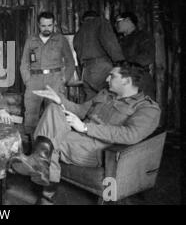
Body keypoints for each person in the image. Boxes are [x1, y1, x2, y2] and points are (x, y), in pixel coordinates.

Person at [9, 62, 160, 205]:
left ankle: (45, 192)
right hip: (79, 135)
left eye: (112, 76)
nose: (107, 79)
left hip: (98, 149)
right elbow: (81, 110)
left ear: (126, 81)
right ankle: (40, 162)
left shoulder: (147, 108)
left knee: (50, 139)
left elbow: (131, 134)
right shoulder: (105, 94)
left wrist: (86, 128)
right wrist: (59, 100)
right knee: (53, 110)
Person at [20, 12, 75, 136]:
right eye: (43, 26)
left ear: (54, 24)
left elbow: (70, 62)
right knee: (31, 115)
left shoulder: (61, 40)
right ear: (39, 25)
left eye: (49, 25)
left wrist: (63, 80)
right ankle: (31, 145)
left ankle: (53, 148)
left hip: (55, 80)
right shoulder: (31, 40)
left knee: (55, 113)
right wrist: (28, 81)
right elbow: (24, 63)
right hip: (34, 80)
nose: (47, 28)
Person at [73, 11, 125, 101]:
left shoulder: (78, 34)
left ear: (82, 20)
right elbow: (110, 43)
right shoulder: (100, 22)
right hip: (101, 69)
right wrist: (121, 62)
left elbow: (78, 56)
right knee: (110, 99)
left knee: (91, 103)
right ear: (96, 17)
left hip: (86, 72)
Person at [115, 12, 156, 100]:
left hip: (140, 78)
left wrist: (126, 64)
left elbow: (148, 57)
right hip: (123, 80)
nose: (116, 24)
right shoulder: (119, 41)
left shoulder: (143, 36)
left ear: (128, 20)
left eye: (118, 21)